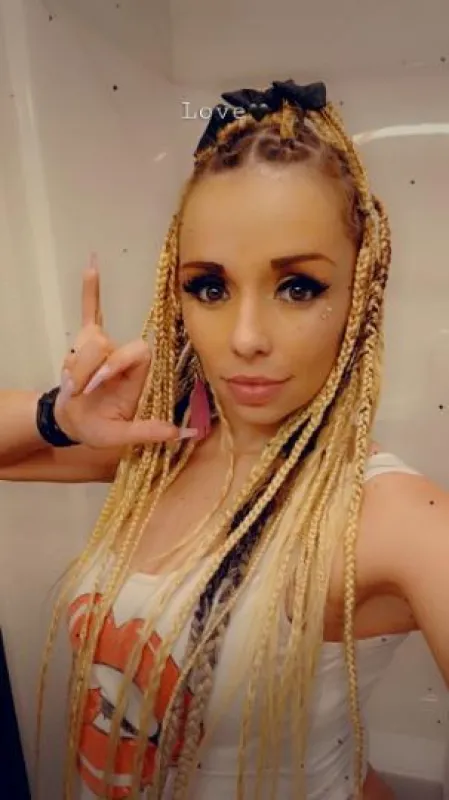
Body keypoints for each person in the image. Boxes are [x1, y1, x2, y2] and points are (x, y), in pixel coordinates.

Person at [1, 78, 448, 800]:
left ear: (358, 295)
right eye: (209, 287)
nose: (244, 338)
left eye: (297, 287)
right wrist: (61, 414)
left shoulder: (389, 515)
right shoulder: (162, 447)